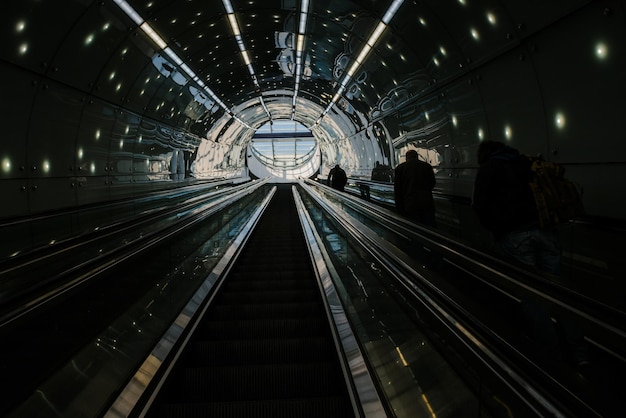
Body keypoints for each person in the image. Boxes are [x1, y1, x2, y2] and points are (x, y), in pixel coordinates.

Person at [472, 140, 589, 366]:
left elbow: (480, 205)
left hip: (516, 237)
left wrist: (499, 229)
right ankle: (580, 351)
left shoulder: (488, 169)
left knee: (532, 295)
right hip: (546, 230)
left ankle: (551, 354)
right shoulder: (525, 162)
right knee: (559, 292)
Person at [394, 149, 436, 226]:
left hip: (409, 204)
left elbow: (398, 190)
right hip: (426, 202)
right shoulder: (427, 166)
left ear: (406, 158)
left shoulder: (400, 169)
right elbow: (432, 183)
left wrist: (399, 208)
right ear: (417, 157)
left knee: (413, 227)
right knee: (429, 227)